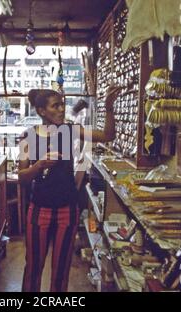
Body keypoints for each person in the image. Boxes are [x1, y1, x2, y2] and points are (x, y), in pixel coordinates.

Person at [19, 85, 121, 292]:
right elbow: (21, 177)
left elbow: (108, 136)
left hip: (68, 210)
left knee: (61, 270)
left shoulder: (70, 130)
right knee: (33, 268)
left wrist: (109, 108)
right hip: (39, 210)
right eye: (55, 106)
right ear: (41, 111)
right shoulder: (28, 136)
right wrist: (39, 165)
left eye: (62, 105)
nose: (61, 109)